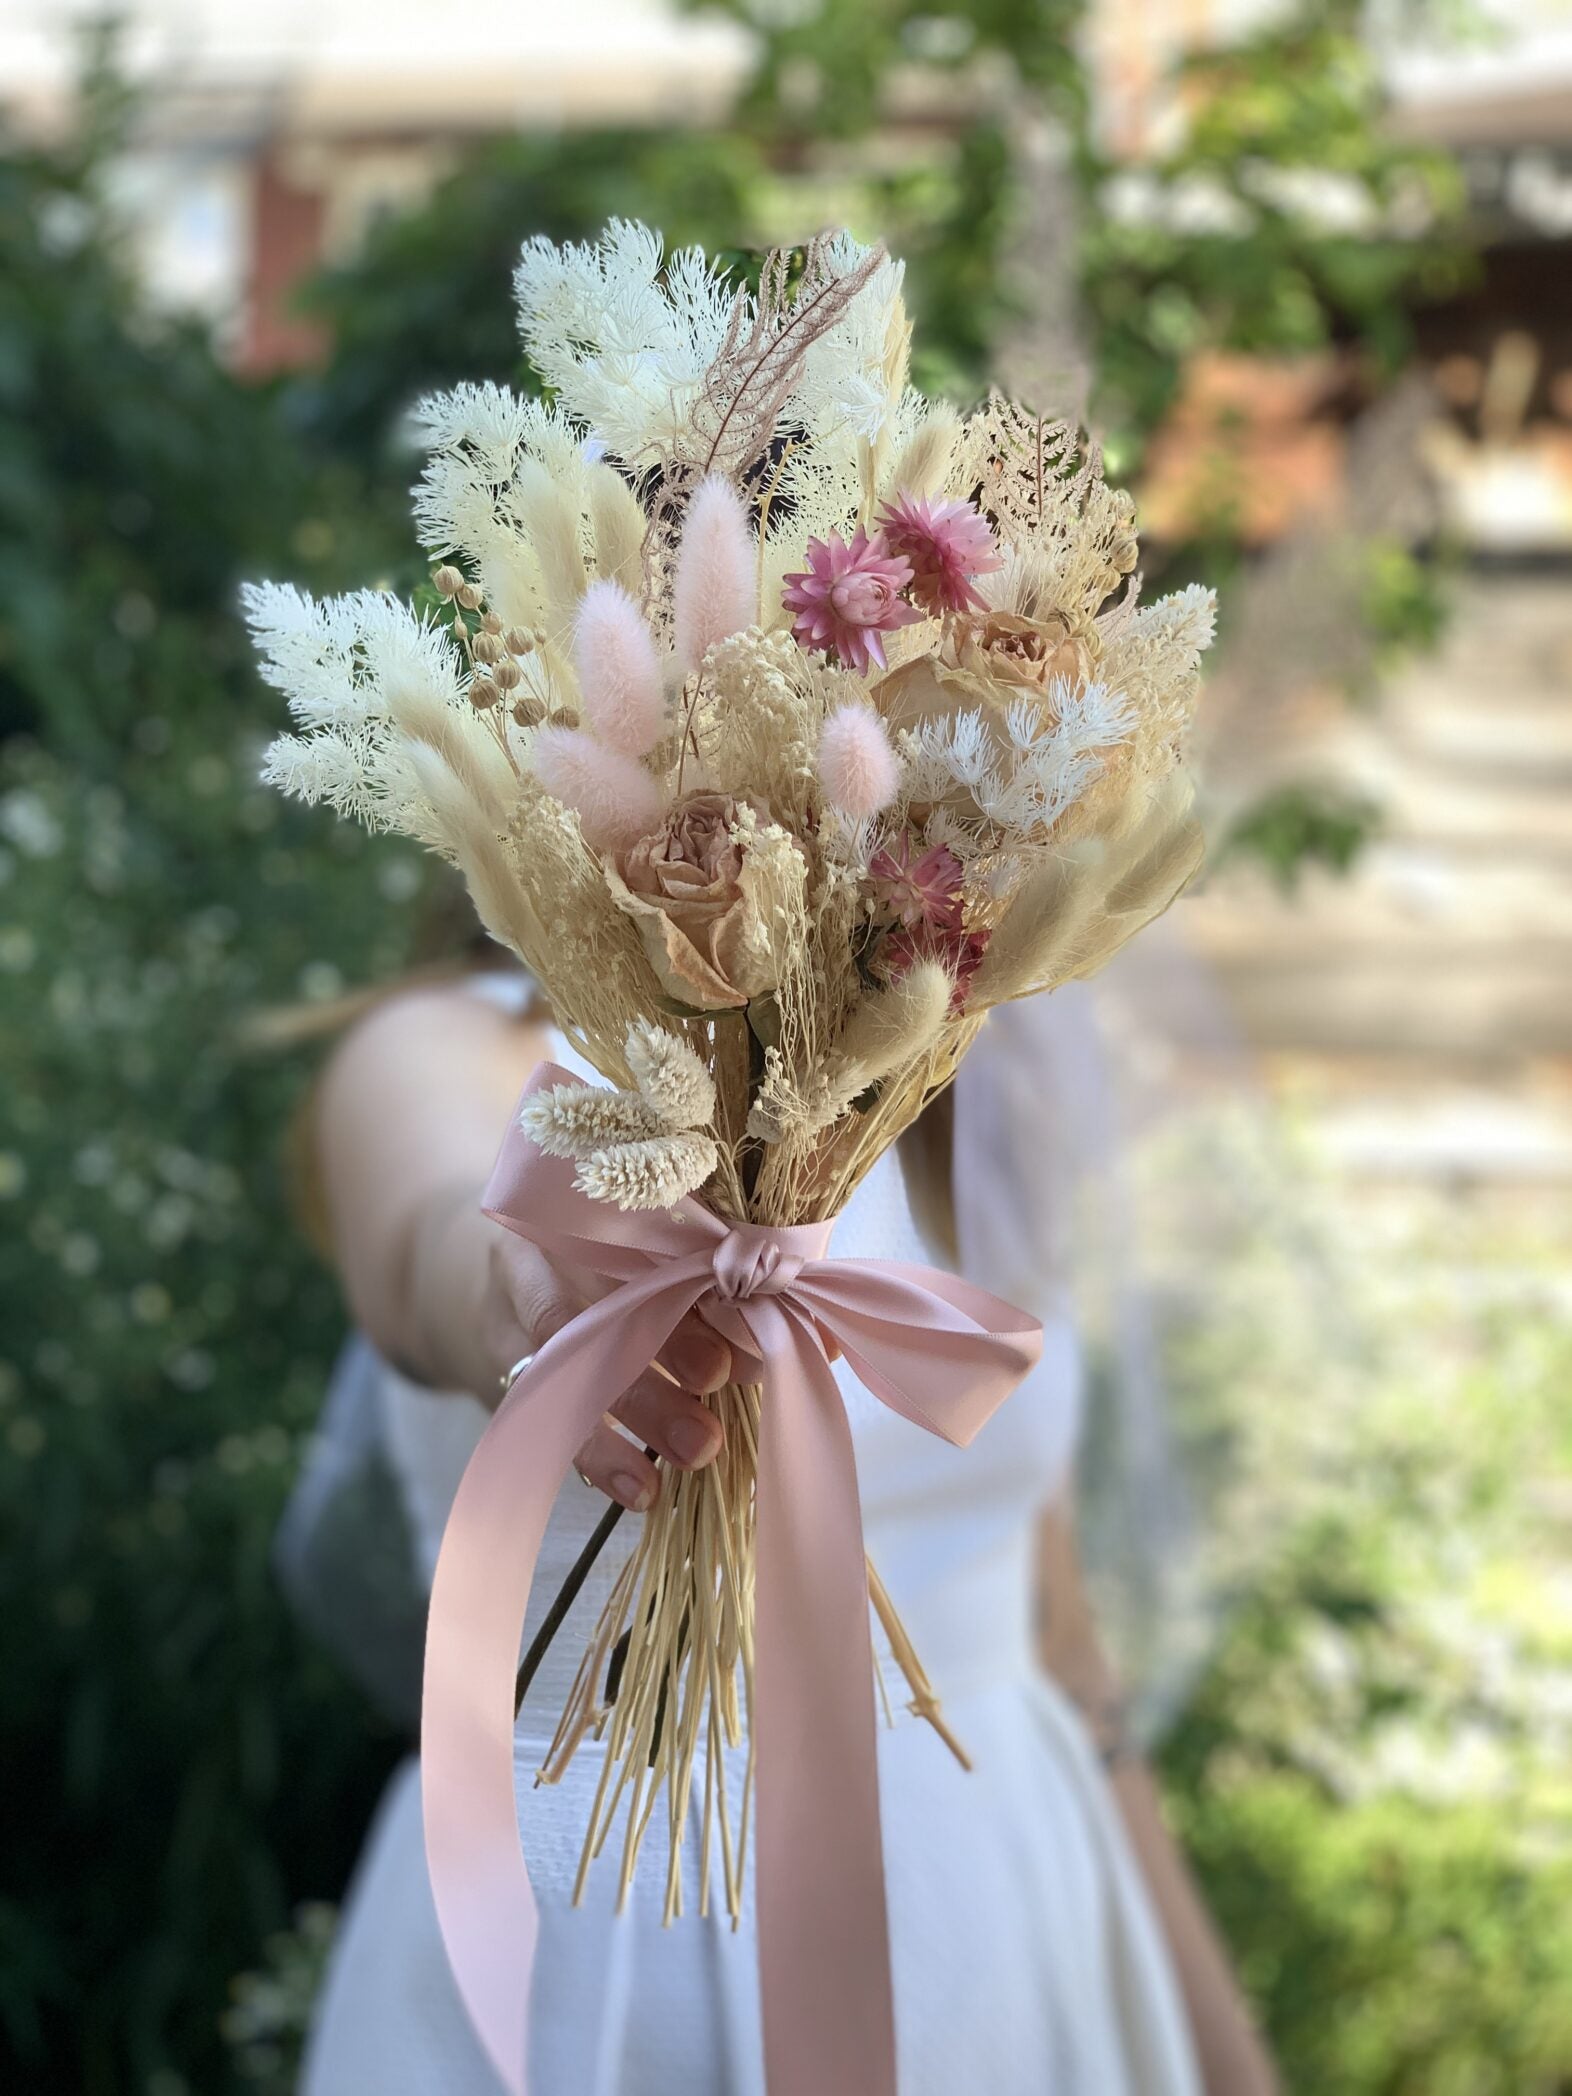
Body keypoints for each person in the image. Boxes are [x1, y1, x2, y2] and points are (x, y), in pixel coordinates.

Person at [294, 967, 1278, 2095]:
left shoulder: (966, 1079)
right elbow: (430, 1234)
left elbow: (1062, 1647)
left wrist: (1227, 2060)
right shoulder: (444, 1046)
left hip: (1002, 1935)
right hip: (588, 1964)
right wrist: (524, 1279)